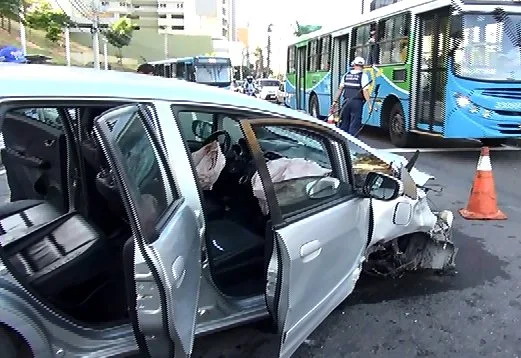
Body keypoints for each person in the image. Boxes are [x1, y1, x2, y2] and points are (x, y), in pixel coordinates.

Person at [331, 56, 372, 137]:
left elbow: (340, 89)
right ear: (363, 66)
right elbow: (365, 91)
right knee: (355, 123)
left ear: (354, 65)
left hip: (346, 102)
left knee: (344, 122)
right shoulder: (363, 76)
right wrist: (369, 104)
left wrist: (335, 101)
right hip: (357, 103)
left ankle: (342, 141)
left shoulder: (346, 75)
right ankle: (352, 143)